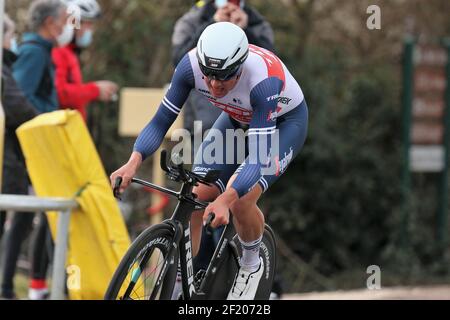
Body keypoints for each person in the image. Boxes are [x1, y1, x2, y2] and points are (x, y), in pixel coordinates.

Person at [111, 22, 308, 300]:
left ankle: (251, 266)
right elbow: (160, 121)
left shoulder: (264, 82)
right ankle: (179, 278)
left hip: (283, 124)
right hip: (236, 117)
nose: (215, 84)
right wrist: (132, 162)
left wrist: (226, 199)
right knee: (196, 196)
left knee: (241, 198)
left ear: (240, 67)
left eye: (224, 77)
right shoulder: (189, 65)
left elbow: (259, 156)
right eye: (209, 75)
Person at [171, 0, 276, 284]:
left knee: (238, 201)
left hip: (255, 123)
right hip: (205, 124)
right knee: (197, 200)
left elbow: (270, 71)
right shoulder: (193, 18)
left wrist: (244, 34)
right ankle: (188, 280)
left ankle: (247, 275)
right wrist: (212, 27)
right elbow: (180, 60)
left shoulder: (255, 21)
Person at [1, 0, 71, 300]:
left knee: (31, 216)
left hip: (31, 147)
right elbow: (20, 98)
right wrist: (49, 124)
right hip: (25, 148)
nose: (70, 27)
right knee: (26, 215)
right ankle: (9, 285)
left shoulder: (41, 51)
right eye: (65, 20)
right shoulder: (33, 53)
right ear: (50, 22)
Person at [0, 14, 39, 243]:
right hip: (7, 158)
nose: (13, 41)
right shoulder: (4, 71)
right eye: (11, 35)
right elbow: (18, 107)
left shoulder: (8, 68)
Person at [52, 0, 118, 122]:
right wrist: (95, 90)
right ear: (74, 23)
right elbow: (60, 94)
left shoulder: (70, 53)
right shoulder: (60, 52)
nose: (91, 30)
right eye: (88, 24)